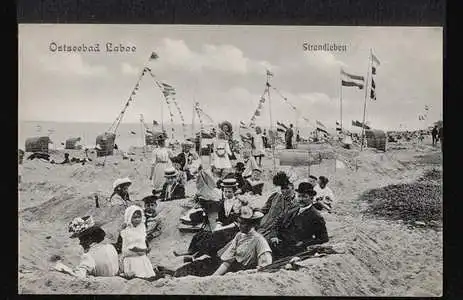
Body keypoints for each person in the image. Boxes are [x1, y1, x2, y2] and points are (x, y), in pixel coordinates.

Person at [269, 182, 329, 260]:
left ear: (311, 198)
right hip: (279, 244)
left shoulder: (316, 216)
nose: (301, 199)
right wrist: (274, 236)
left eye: (304, 197)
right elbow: (276, 223)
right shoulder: (293, 210)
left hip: (296, 250)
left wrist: (304, 243)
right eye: (299, 196)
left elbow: (324, 238)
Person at [52, 216, 119, 278]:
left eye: (81, 239)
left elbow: (80, 275)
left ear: (89, 239)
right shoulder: (110, 247)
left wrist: (63, 268)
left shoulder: (88, 256)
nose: (80, 243)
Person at [213, 205, 272, 275]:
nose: (239, 225)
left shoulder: (259, 240)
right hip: (234, 270)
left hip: (248, 275)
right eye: (238, 222)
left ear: (251, 224)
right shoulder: (239, 236)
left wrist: (242, 274)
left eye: (242, 223)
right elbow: (227, 262)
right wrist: (214, 276)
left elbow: (265, 268)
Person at [119, 205, 156, 280]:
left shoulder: (140, 228)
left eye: (139, 217)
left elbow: (142, 241)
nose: (137, 219)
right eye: (134, 217)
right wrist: (144, 250)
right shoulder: (128, 231)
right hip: (132, 259)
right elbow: (132, 247)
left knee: (147, 276)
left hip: (142, 257)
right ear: (129, 218)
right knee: (137, 277)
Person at [257, 172, 298, 240]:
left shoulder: (296, 204)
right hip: (264, 226)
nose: (284, 191)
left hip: (278, 233)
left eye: (287, 188)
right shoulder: (275, 196)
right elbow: (264, 209)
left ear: (293, 188)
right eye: (282, 189)